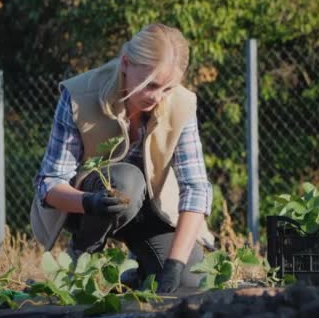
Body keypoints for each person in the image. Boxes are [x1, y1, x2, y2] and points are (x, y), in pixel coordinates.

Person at [30, 23, 215, 293]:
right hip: (88, 208)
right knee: (126, 180)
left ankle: (135, 275)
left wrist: (174, 264)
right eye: (150, 84)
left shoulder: (183, 103)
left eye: (168, 88)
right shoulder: (79, 96)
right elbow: (49, 183)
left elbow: (196, 188)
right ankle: (81, 256)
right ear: (126, 63)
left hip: (152, 210)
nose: (157, 97)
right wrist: (89, 203)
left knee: (190, 282)